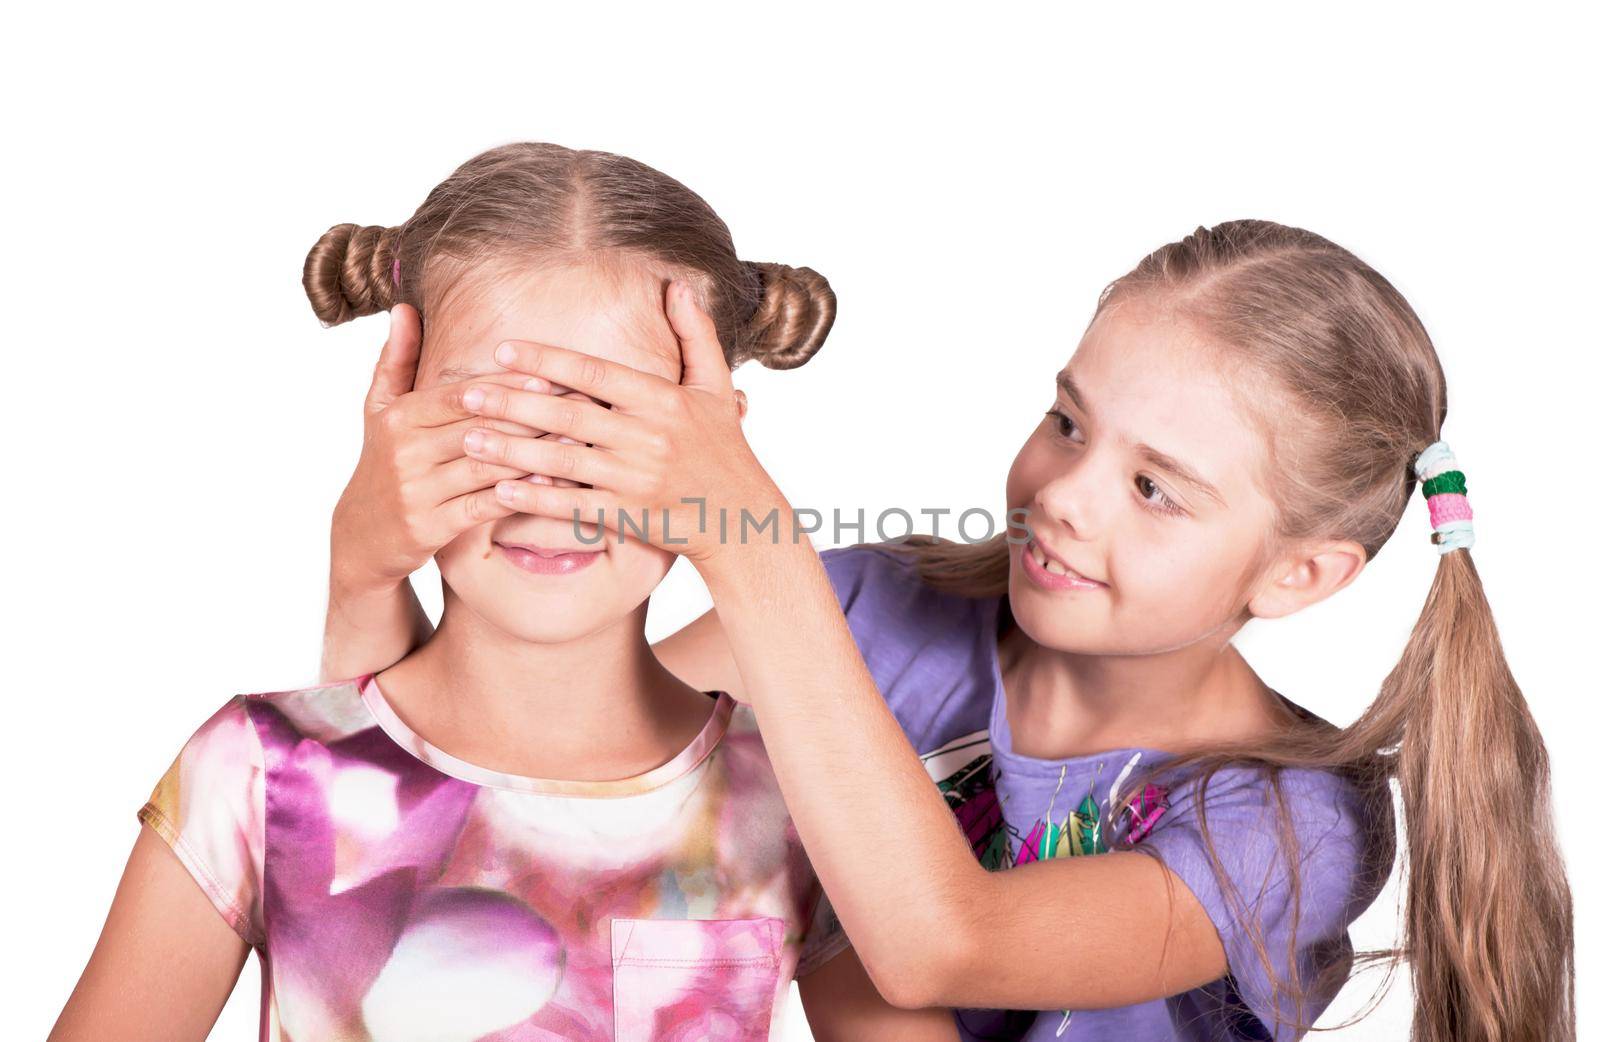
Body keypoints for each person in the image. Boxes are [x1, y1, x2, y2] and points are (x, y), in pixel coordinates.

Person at [325, 219, 1574, 1041]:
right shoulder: (875, 609)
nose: (1063, 493)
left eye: (1155, 487)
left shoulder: (1290, 818)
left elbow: (937, 946)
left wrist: (748, 540)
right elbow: (488, 797)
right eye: (1069, 421)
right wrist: (364, 566)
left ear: (1300, 574)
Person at [48, 142, 959, 1042]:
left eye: (609, 421)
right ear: (396, 413)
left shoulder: (806, 803)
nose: (548, 484)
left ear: (718, 447)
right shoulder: (254, 771)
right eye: (494, 417)